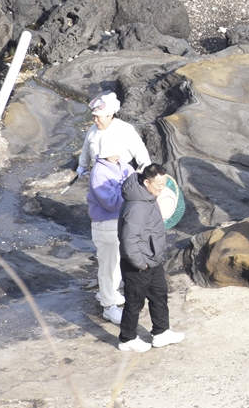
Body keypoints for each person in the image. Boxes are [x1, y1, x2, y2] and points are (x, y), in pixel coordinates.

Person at [117, 163, 184, 352]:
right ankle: (127, 339)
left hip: (152, 260)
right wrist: (140, 263)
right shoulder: (137, 206)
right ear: (146, 182)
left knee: (159, 294)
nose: (162, 189)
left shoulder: (149, 197)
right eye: (159, 185)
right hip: (138, 265)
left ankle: (161, 332)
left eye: (164, 184)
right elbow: (129, 240)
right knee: (134, 302)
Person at [87, 135, 133, 324]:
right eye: (115, 150)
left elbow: (133, 181)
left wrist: (129, 184)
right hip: (105, 224)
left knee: (116, 263)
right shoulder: (99, 173)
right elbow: (112, 202)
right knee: (108, 266)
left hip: (119, 222)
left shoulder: (122, 165)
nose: (119, 154)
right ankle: (109, 306)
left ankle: (108, 293)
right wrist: (127, 186)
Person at [77, 92, 151, 178]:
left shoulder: (125, 129)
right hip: (98, 173)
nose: (95, 120)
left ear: (109, 115)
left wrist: (142, 171)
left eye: (98, 117)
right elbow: (86, 148)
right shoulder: (92, 130)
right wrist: (82, 166)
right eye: (94, 116)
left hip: (122, 174)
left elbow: (140, 151)